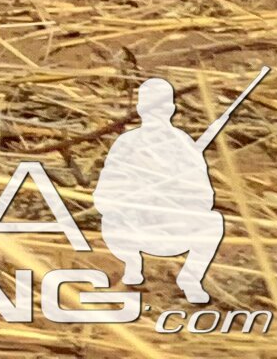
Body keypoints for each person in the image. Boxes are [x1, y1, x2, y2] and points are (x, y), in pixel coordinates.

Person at [95, 78, 226, 303]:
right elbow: (103, 195)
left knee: (213, 222)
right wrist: (135, 198)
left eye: (161, 106)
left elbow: (205, 197)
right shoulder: (126, 143)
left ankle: (191, 278)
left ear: (171, 109)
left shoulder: (184, 144)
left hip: (174, 227)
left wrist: (175, 195)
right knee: (111, 219)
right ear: (140, 109)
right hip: (134, 228)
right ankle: (133, 266)